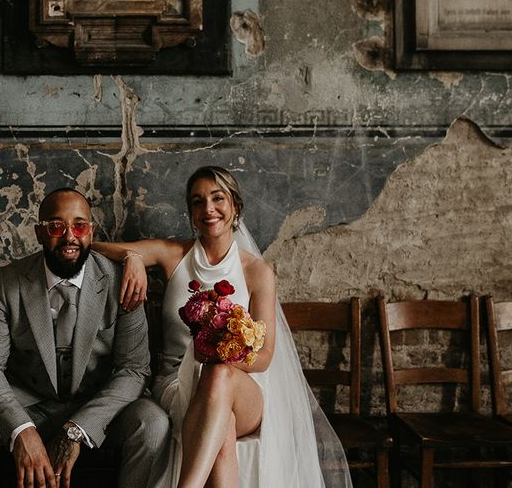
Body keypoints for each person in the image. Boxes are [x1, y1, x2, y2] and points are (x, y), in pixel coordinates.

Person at [94, 166, 353, 488]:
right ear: (190, 211)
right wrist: (132, 256)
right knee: (222, 427)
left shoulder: (257, 272)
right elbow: (93, 248)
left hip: (245, 390)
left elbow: (265, 356)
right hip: (178, 385)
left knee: (219, 374)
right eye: (198, 202)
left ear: (235, 206)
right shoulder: (173, 255)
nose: (208, 209)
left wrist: (218, 356)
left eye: (218, 198)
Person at [0, 187, 170, 488]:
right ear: (40, 233)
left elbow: (134, 371)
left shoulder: (122, 281)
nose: (70, 236)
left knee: (153, 424)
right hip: (27, 402)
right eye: (56, 226)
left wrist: (78, 429)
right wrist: (20, 427)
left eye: (79, 226)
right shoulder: (10, 281)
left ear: (91, 232)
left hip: (97, 402)